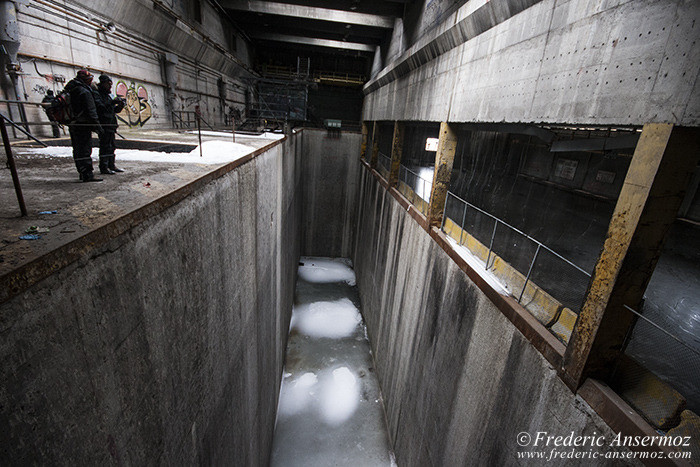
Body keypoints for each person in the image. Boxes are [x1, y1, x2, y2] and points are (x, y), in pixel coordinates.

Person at [64, 69, 103, 182]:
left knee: (77, 149)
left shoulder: (71, 89)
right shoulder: (84, 91)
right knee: (85, 149)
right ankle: (88, 174)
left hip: (73, 124)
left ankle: (82, 172)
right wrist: (97, 126)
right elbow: (91, 110)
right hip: (83, 124)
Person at [93, 74, 125, 174]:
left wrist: (120, 105)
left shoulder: (107, 95)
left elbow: (112, 110)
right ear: (103, 83)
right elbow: (100, 108)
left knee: (112, 146)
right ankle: (104, 167)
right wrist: (112, 103)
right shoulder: (97, 94)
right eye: (108, 84)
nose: (110, 86)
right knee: (105, 146)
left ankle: (111, 165)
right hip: (104, 124)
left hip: (110, 124)